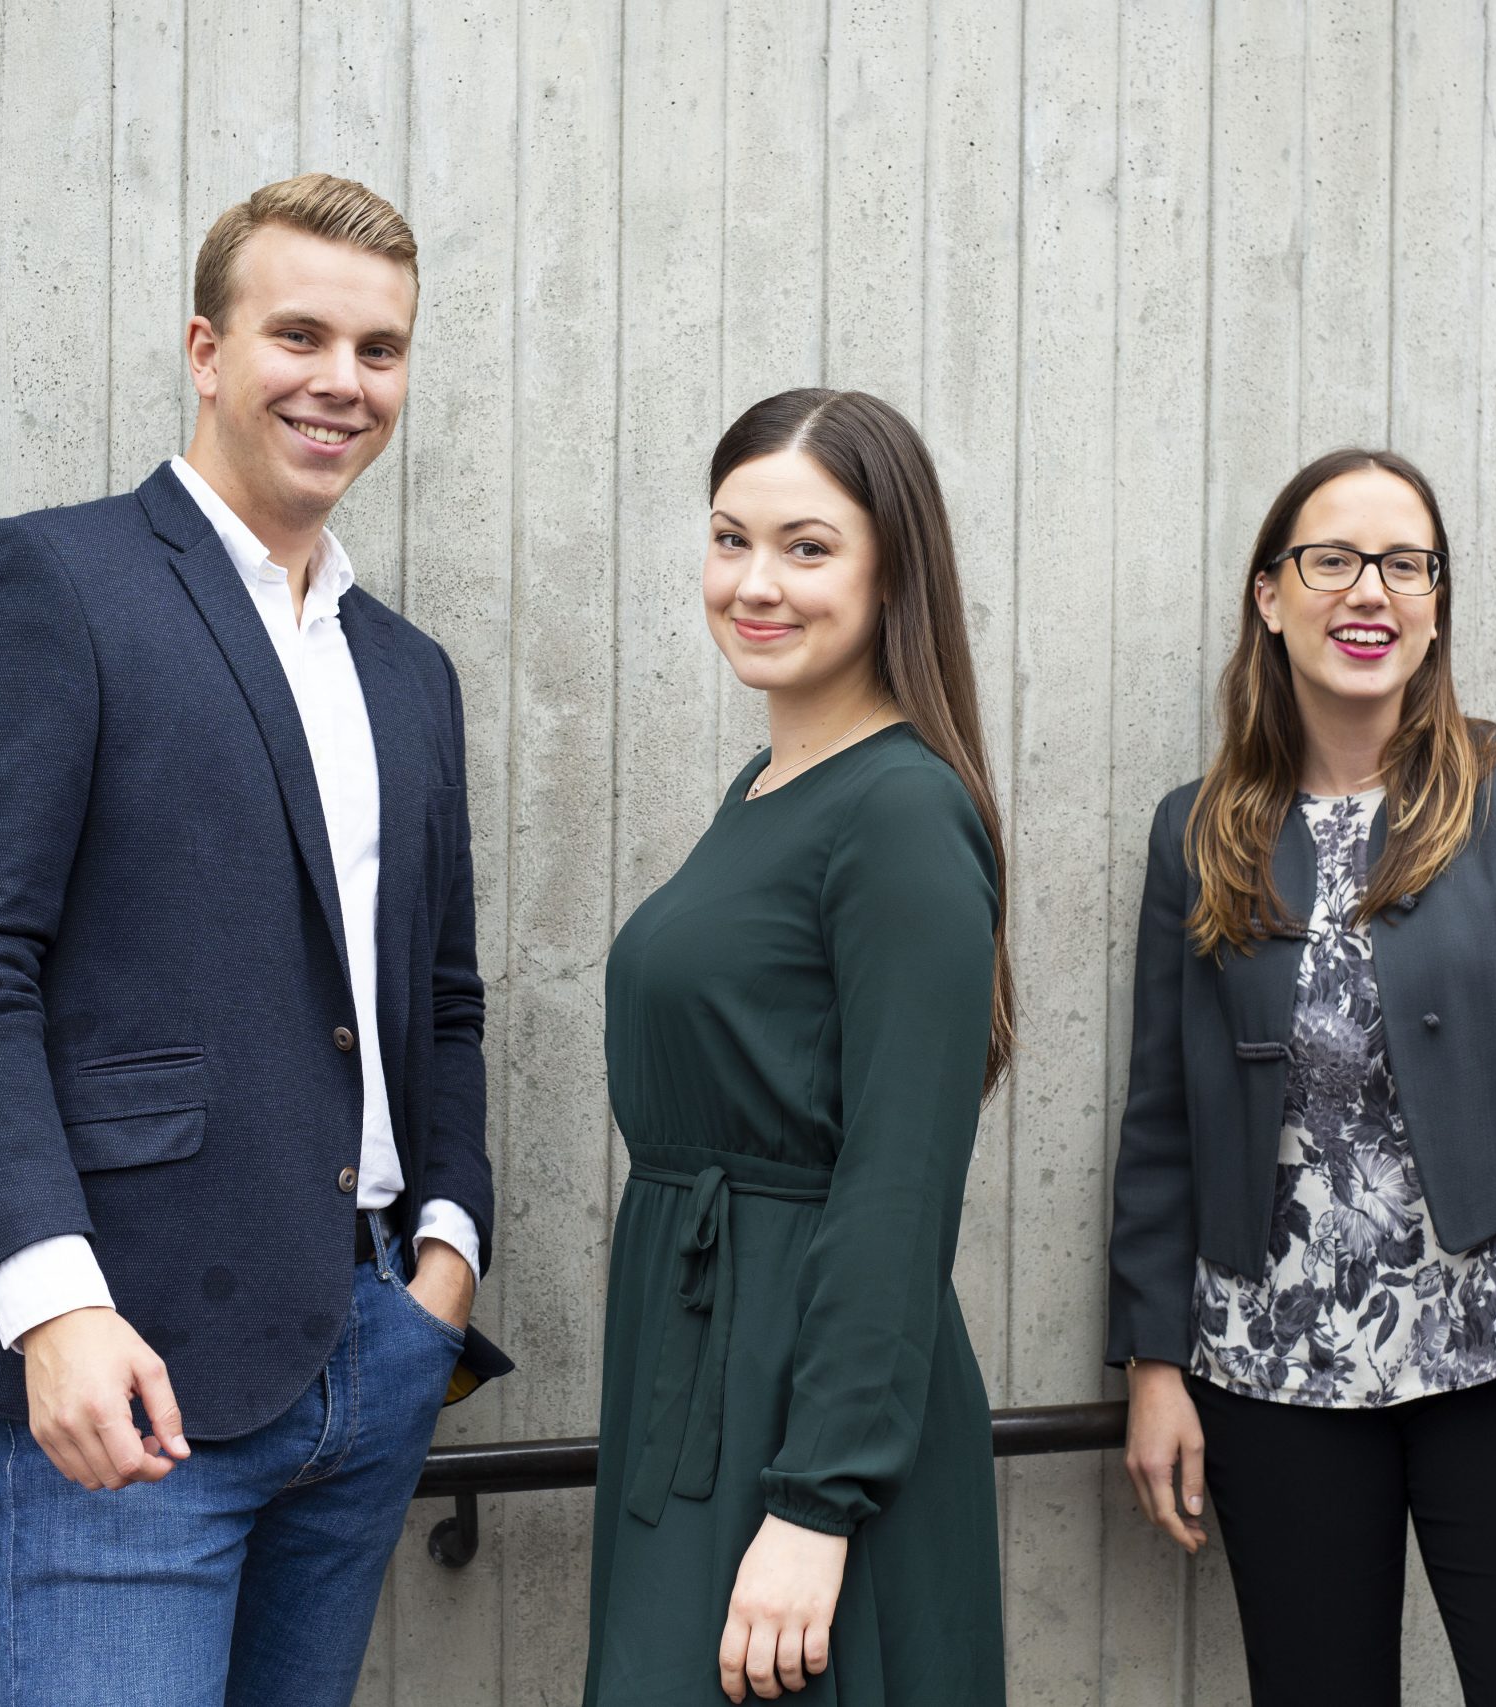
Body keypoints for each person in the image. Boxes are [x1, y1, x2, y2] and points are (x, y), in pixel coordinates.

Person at [0, 173, 508, 1706]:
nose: (342, 381)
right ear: (206, 350)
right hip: (128, 1365)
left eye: (379, 349)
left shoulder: (408, 670)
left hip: (374, 1349)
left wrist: (447, 1257)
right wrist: (53, 1302)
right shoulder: (51, 582)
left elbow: (442, 999)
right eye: (300, 335)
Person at [1108, 448, 1496, 1706]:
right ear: (1269, 595)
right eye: (1333, 561)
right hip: (1270, 1369)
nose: (1371, 591)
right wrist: (1152, 1365)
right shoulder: (1197, 829)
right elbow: (1162, 1116)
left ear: (1435, 600)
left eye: (1406, 564)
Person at [583, 388, 1010, 1704]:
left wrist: (817, 1502)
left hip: (805, 1405)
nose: (753, 583)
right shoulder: (766, 788)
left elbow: (901, 1179)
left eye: (806, 547)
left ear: (892, 572)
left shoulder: (900, 810)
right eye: (730, 539)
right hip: (700, 1360)